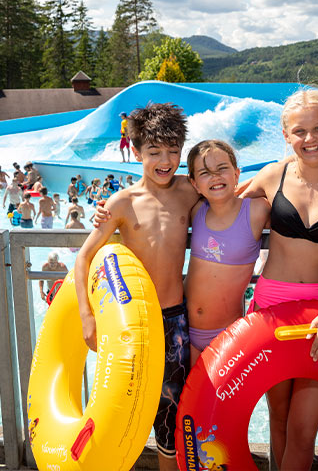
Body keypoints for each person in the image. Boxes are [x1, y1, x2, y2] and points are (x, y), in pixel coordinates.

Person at [239, 89, 318, 470]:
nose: (309, 139)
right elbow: (220, 198)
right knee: (278, 421)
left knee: (302, 431)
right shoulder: (271, 176)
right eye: (299, 131)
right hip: (270, 311)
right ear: (286, 134)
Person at [75, 103, 200, 470]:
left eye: (173, 151)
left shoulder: (188, 191)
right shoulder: (122, 202)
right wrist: (87, 315)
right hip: (129, 326)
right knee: (121, 410)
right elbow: (83, 257)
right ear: (136, 151)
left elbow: (230, 191)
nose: (166, 160)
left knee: (169, 418)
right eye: (155, 152)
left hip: (174, 322)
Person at [185, 140, 269, 364]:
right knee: (186, 399)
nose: (215, 177)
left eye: (222, 168)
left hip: (227, 334)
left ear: (236, 174)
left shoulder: (256, 211)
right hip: (187, 333)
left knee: (222, 398)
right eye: (205, 173)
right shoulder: (195, 211)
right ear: (195, 185)